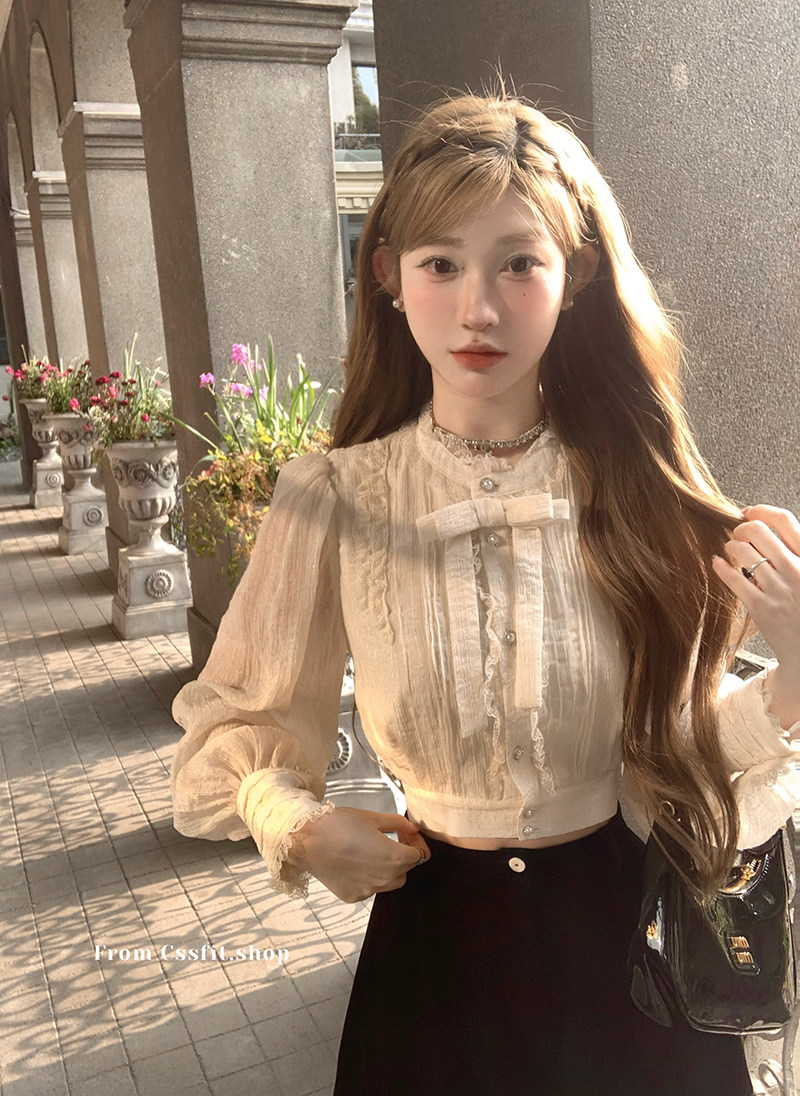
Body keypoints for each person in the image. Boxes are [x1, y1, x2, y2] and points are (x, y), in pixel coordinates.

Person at [171, 92, 800, 1095]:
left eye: (518, 262)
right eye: (440, 264)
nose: (478, 308)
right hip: (435, 956)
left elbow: (672, 750)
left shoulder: (638, 487)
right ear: (387, 274)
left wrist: (791, 681)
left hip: (630, 956)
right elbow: (234, 730)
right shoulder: (334, 498)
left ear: (573, 274)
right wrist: (295, 823)